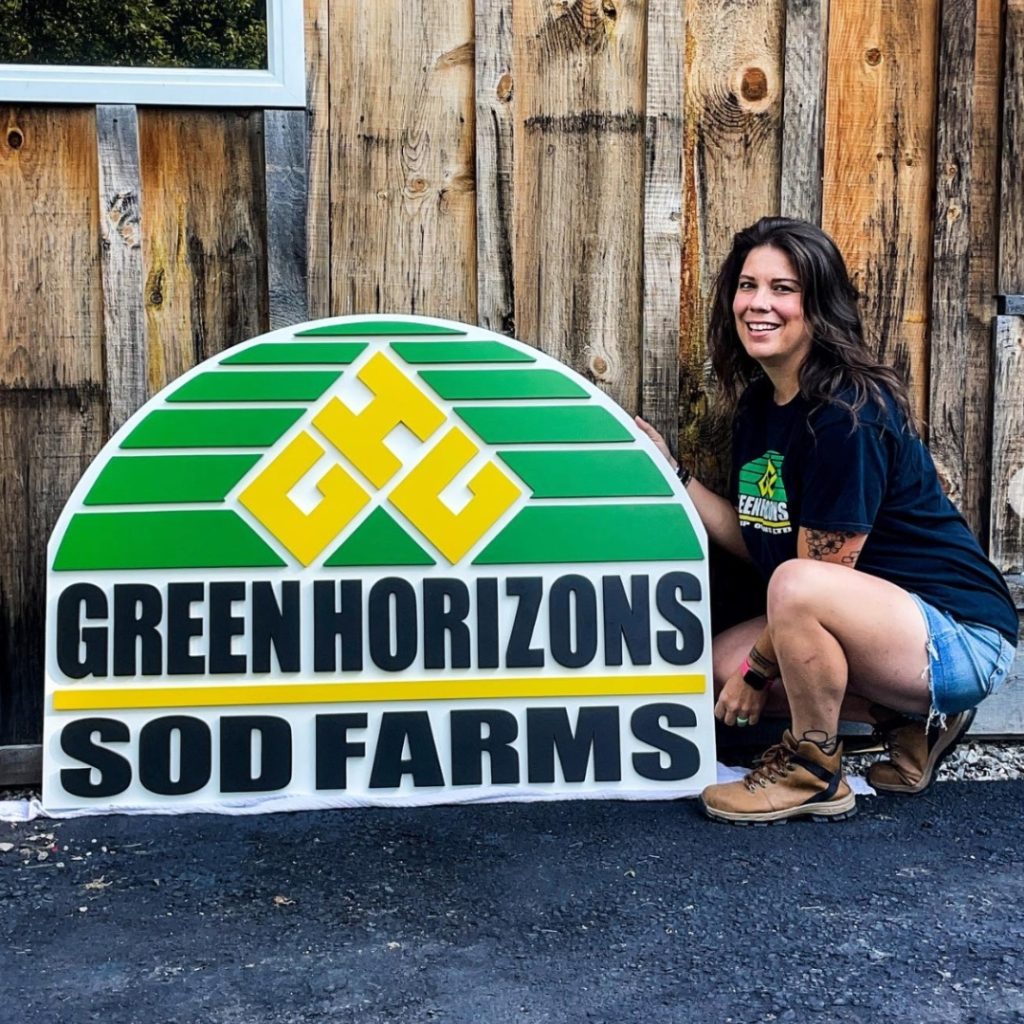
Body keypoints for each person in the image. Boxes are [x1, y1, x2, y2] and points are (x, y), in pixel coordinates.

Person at [636, 217, 1018, 825]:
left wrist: (757, 674)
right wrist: (672, 474)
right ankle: (907, 721)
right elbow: (760, 538)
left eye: (783, 289)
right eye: (748, 285)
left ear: (819, 304)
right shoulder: (762, 405)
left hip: (958, 633)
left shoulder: (847, 414)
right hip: (873, 620)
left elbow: (811, 578)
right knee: (710, 672)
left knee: (784, 602)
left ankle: (814, 770)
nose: (760, 303)